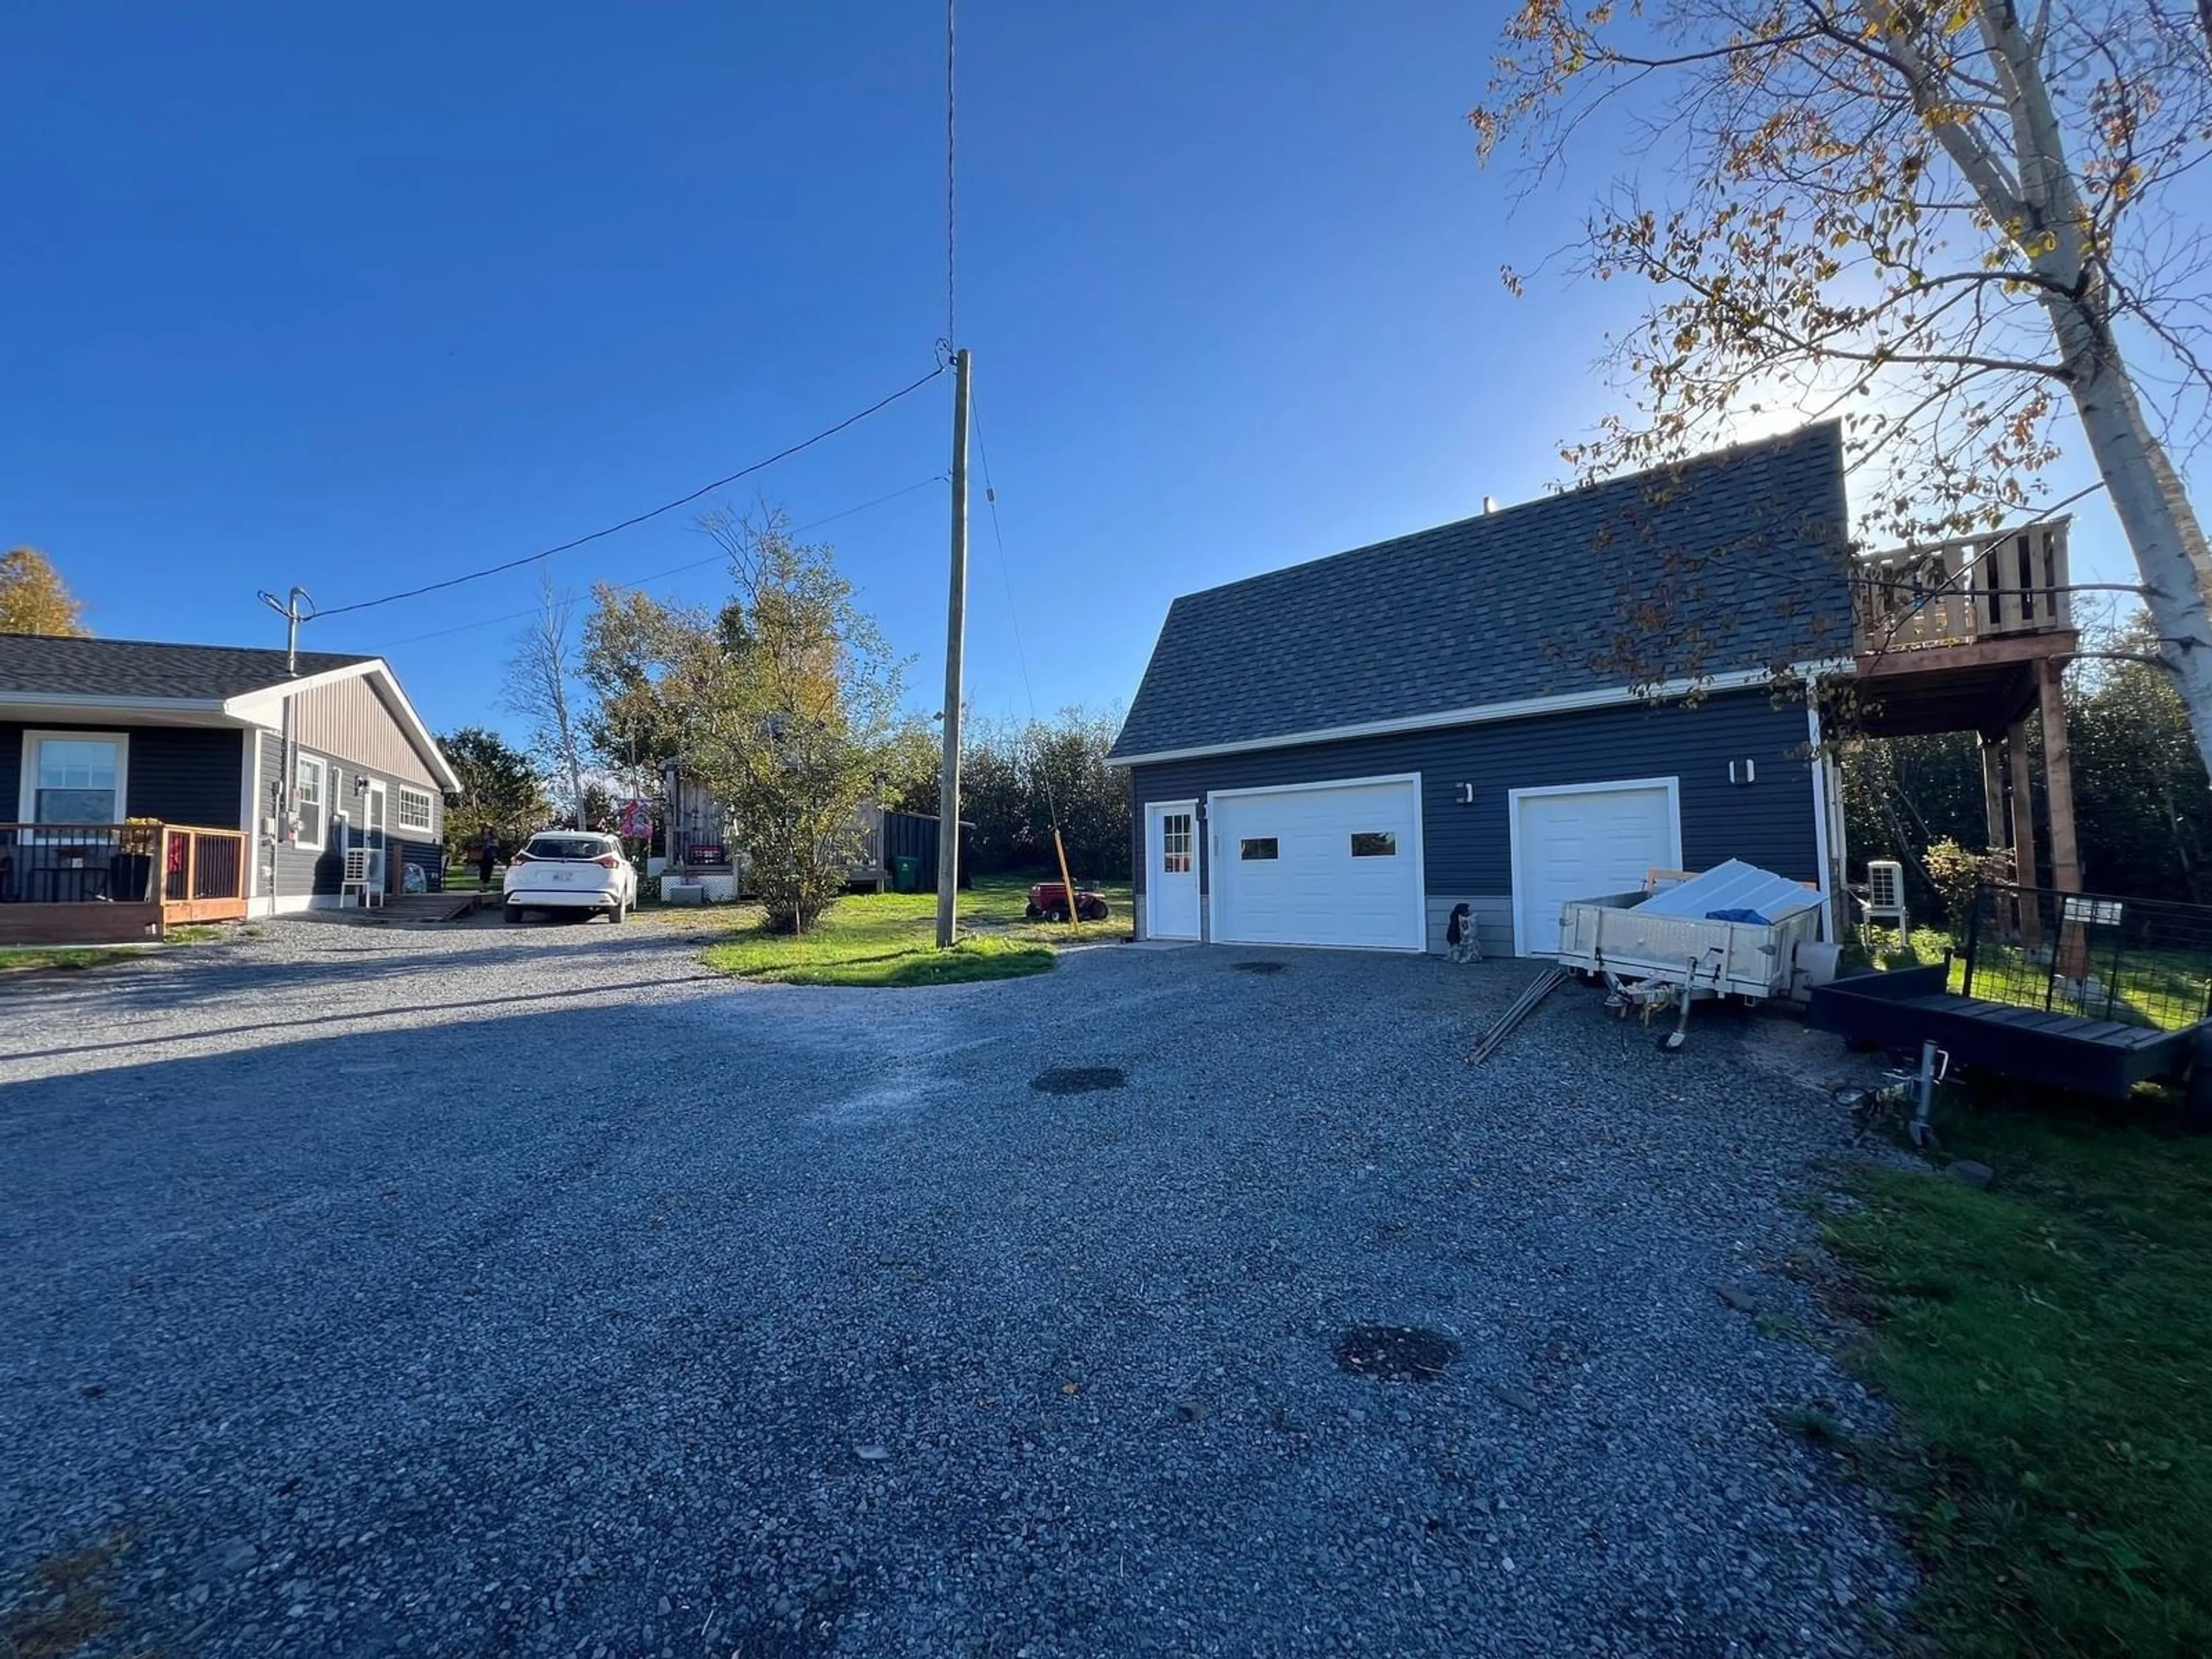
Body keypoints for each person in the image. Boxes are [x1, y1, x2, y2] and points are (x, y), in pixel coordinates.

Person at [475, 824, 499, 892]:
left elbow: (497, 845)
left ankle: (485, 886)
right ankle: (481, 886)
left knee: (488, 871)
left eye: (488, 828)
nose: (487, 830)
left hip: (490, 855)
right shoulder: (480, 836)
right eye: (486, 828)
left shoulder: (493, 837)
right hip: (481, 856)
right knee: (482, 871)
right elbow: (475, 843)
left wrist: (490, 844)